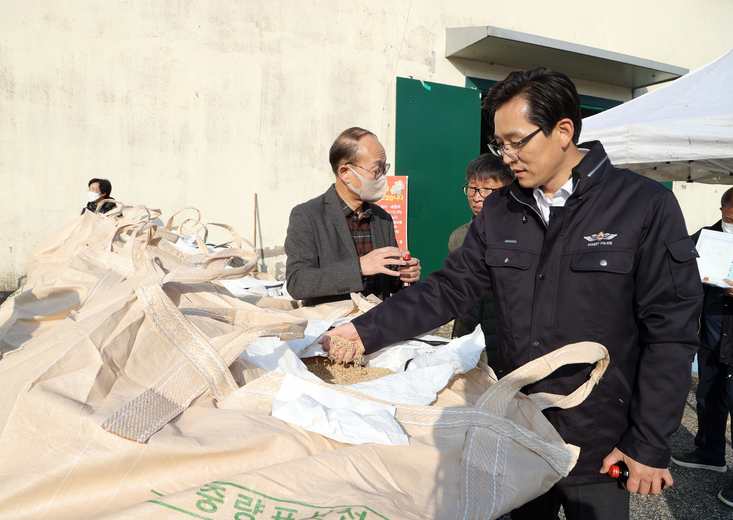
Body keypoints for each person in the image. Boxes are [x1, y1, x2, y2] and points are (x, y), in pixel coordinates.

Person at [322, 69, 703, 519]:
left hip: (600, 440)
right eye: (499, 144)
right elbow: (449, 287)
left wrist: (649, 441)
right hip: (519, 428)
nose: (508, 156)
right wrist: (364, 331)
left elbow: (671, 330)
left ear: (564, 131)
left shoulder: (641, 204)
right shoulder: (503, 209)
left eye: (517, 141)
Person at [284, 127, 421, 306]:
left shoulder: (382, 218)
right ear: (345, 173)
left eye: (384, 168)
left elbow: (387, 281)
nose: (382, 177)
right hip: (332, 328)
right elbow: (297, 282)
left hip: (376, 324)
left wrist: (404, 275)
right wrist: (359, 267)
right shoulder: (308, 215)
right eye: (376, 169)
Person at [671, 187, 733, 508]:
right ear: (722, 207)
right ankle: (709, 452)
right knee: (708, 391)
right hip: (710, 332)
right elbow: (678, 268)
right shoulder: (705, 237)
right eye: (729, 207)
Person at [448, 154, 514, 375]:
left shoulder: (522, 237)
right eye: (472, 188)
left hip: (508, 346)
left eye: (487, 189)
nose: (477, 197)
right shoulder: (458, 238)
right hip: (465, 341)